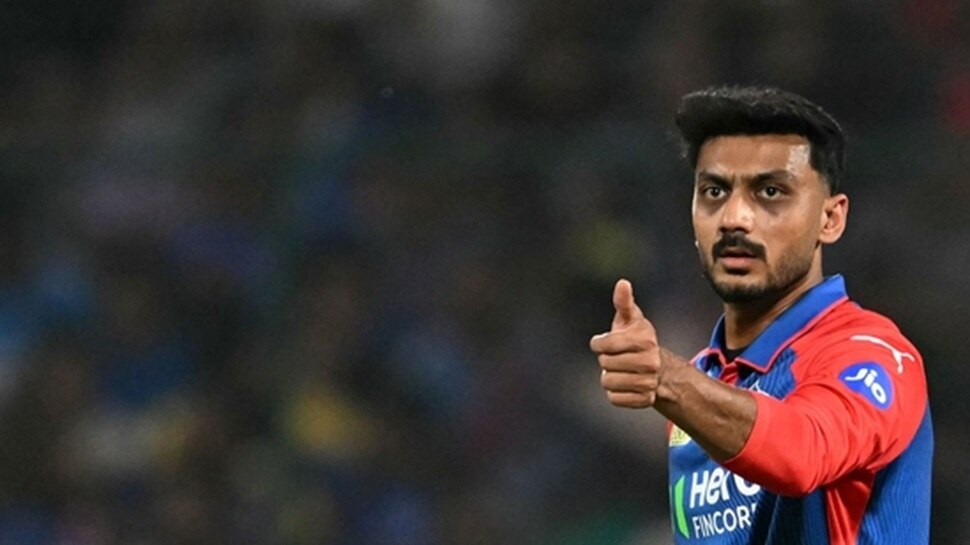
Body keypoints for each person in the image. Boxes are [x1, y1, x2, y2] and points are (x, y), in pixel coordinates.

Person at [589, 86, 932, 544]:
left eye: (770, 192)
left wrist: (666, 380)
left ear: (830, 219)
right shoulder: (700, 381)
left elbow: (802, 455)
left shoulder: (874, 354)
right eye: (714, 191)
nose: (734, 218)